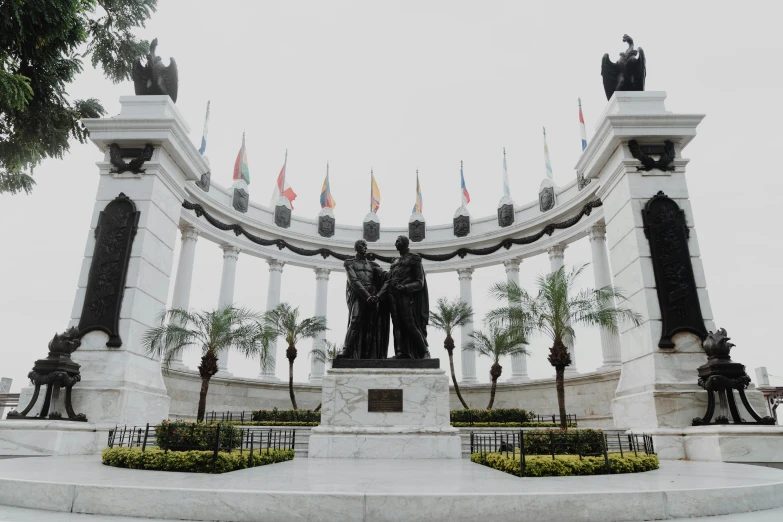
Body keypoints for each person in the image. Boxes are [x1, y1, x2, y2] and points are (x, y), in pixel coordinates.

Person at [338, 240, 390, 359]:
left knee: (371, 325)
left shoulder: (372, 265)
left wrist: (379, 295)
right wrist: (367, 297)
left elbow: (385, 276)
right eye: (362, 245)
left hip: (373, 296)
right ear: (356, 247)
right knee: (355, 320)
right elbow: (354, 281)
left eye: (366, 246)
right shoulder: (349, 263)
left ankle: (367, 354)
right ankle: (346, 350)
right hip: (359, 295)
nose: (365, 248)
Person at [382, 235, 430, 359]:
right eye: (396, 240)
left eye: (398, 240)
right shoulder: (394, 261)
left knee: (410, 323)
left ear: (406, 243)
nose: (396, 243)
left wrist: (405, 287)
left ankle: (424, 352)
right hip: (392, 296)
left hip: (406, 296)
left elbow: (420, 282)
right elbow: (389, 280)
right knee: (397, 325)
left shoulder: (414, 258)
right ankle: (400, 352)